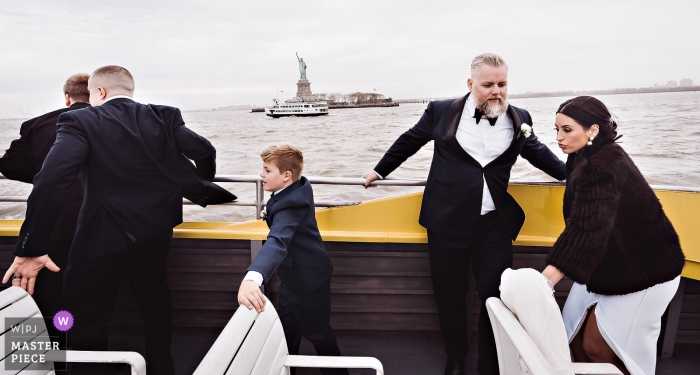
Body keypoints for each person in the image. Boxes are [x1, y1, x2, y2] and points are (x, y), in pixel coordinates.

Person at [3, 65, 236, 375]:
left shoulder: (77, 119)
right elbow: (204, 150)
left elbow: (52, 180)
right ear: (130, 89)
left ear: (98, 93)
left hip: (99, 234)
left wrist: (31, 245)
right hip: (154, 231)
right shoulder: (164, 115)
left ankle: (88, 369)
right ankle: (161, 368)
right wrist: (199, 181)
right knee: (154, 302)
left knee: (86, 314)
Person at [362, 53, 567, 375]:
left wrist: (577, 174)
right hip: (445, 223)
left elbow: (539, 153)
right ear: (471, 84)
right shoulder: (441, 111)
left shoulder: (520, 117)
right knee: (450, 298)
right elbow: (410, 141)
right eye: (488, 84)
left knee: (496, 300)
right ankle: (456, 359)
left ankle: (490, 364)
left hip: (494, 227)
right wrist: (379, 171)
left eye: (502, 84)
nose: (496, 90)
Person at [542, 96, 684, 375]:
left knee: (598, 347)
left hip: (646, 272)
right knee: (573, 340)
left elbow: (587, 228)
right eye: (556, 129)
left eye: (567, 130)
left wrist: (543, 282)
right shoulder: (585, 156)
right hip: (609, 263)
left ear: (592, 130)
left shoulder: (600, 166)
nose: (558, 137)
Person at [238, 144, 346, 375]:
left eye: (267, 170)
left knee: (319, 334)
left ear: (287, 176)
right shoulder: (298, 185)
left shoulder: (291, 204)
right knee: (286, 334)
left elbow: (278, 239)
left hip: (309, 282)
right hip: (292, 278)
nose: (261, 175)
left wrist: (252, 277)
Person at [0, 73, 90, 334]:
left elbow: (9, 165)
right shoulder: (108, 124)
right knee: (91, 298)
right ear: (97, 95)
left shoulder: (36, 124)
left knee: (51, 296)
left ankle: (52, 359)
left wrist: (46, 176)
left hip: (53, 224)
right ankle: (86, 355)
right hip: (97, 224)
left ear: (67, 98)